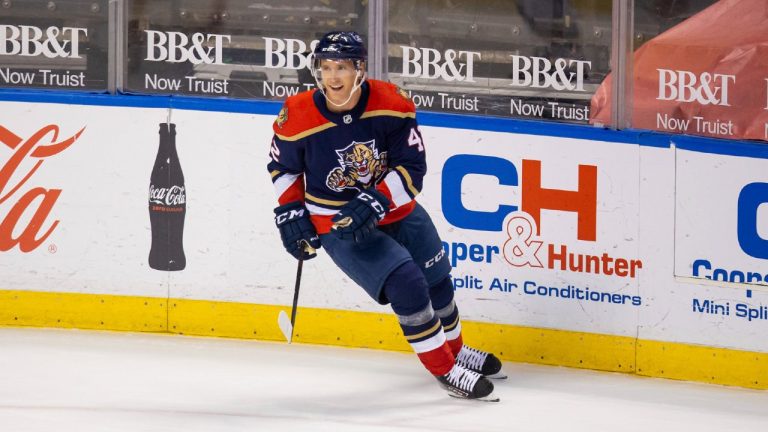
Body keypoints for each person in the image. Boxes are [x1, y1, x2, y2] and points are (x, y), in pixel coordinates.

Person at [267, 31, 505, 401]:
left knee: (437, 280)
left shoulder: (392, 103)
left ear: (359, 69)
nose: (332, 77)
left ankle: (456, 352)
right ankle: (446, 371)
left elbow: (412, 166)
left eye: (341, 67)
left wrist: (376, 199)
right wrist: (291, 210)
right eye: (326, 67)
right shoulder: (296, 114)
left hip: (397, 210)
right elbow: (282, 168)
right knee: (406, 283)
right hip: (338, 222)